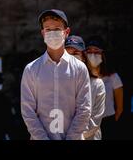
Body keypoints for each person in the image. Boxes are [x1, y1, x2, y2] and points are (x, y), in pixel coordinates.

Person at [21, 9, 91, 140]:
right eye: (48, 29)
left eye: (57, 29)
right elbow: (28, 112)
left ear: (66, 32)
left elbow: (84, 109)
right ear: (42, 33)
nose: (52, 33)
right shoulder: (31, 70)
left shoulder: (79, 69)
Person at [65, 35, 106, 140]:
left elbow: (95, 120)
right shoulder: (55, 83)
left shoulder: (97, 85)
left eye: (75, 54)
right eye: (67, 54)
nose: (71, 58)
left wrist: (73, 137)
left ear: (83, 57)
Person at [85, 36, 123, 140]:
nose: (93, 54)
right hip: (88, 122)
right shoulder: (82, 76)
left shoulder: (113, 77)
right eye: (89, 51)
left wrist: (111, 122)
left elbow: (120, 108)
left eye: (96, 51)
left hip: (108, 122)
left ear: (103, 54)